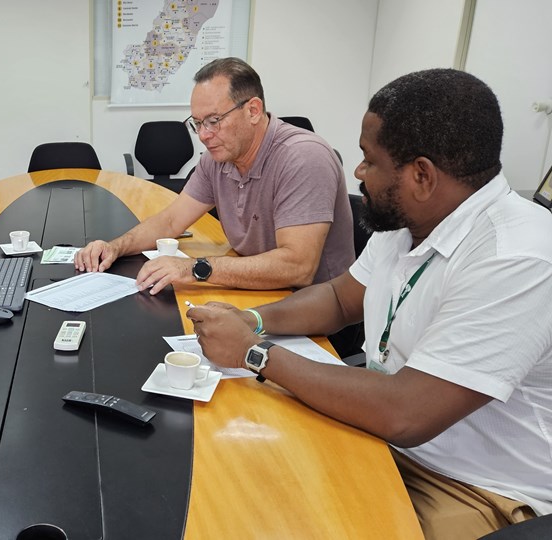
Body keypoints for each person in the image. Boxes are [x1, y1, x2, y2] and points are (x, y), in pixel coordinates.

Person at [188, 69, 551, 538]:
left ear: (421, 175)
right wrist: (251, 318)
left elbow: (407, 413)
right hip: (384, 437)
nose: (357, 173)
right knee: (242, 480)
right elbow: (341, 298)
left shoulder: (517, 257)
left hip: (474, 487)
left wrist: (252, 352)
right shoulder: (412, 219)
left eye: (368, 160)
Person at [75, 57, 354, 295]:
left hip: (316, 314)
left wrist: (196, 268)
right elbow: (171, 221)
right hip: (260, 292)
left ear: (253, 111)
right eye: (197, 124)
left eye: (214, 121)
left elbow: (298, 267)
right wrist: (114, 247)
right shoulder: (218, 159)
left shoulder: (303, 157)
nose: (204, 135)